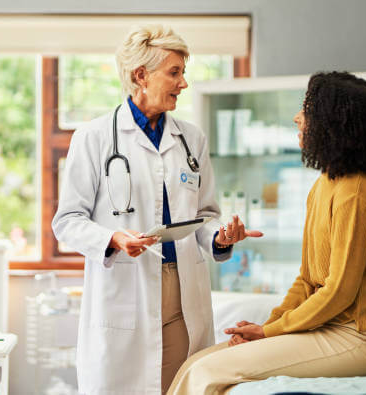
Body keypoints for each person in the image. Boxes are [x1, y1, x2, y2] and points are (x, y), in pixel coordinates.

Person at [51, 24, 263, 395]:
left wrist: (220, 236)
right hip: (126, 288)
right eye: (175, 72)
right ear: (140, 76)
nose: (183, 84)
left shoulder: (191, 138)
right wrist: (113, 238)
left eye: (183, 72)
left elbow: (206, 214)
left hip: (183, 291)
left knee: (182, 387)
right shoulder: (95, 137)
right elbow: (68, 221)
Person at [167, 71, 366, 395]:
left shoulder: (357, 194)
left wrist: (270, 332)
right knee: (196, 363)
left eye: (306, 109)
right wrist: (266, 328)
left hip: (360, 340)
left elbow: (338, 293)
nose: (297, 117)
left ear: (334, 122)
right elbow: (308, 279)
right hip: (328, 330)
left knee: (209, 371)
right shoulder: (325, 184)